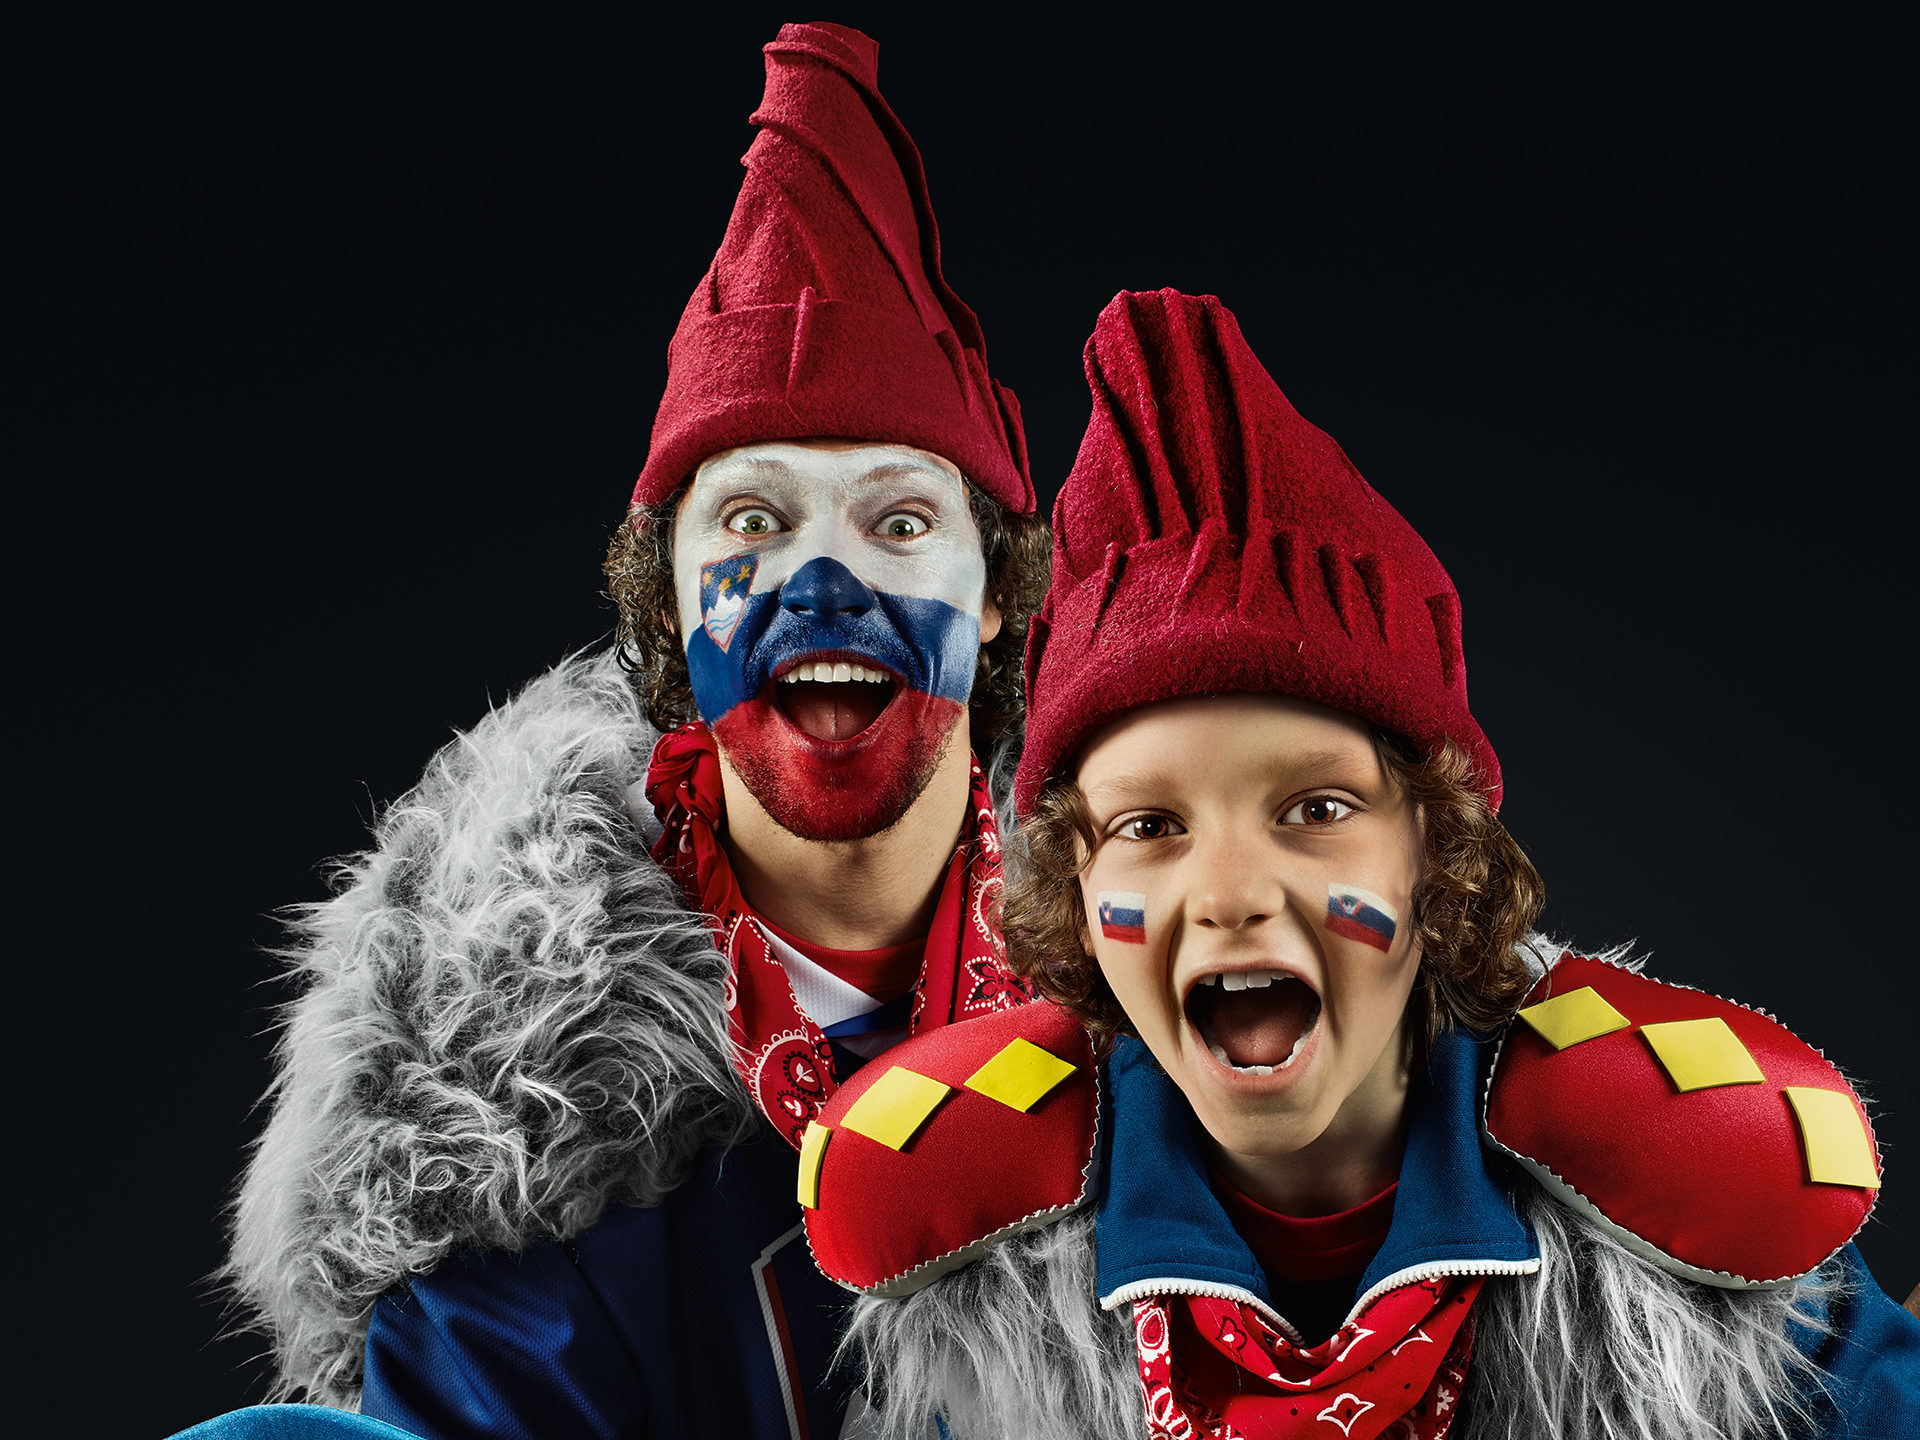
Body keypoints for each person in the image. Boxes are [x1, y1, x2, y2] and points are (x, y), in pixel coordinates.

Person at [801, 289, 1920, 1437]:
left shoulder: (1697, 1220)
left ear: (1435, 853)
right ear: (1077, 901)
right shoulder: (982, 1291)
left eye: (1317, 808)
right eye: (1148, 828)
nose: (1230, 894)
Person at [220, 22, 1048, 1439]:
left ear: (1001, 607)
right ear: (662, 612)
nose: (824, 582)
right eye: (753, 523)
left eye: (902, 522)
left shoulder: (1177, 1030)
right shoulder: (505, 1139)